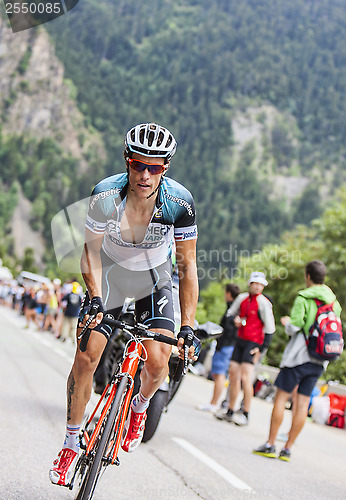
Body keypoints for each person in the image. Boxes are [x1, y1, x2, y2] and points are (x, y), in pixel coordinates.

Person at [50, 123, 199, 487]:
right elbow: (91, 253)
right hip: (111, 277)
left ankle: (139, 407)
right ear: (127, 161)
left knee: (159, 358)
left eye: (155, 168)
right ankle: (71, 442)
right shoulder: (105, 195)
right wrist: (95, 298)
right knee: (86, 356)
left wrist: (188, 325)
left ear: (165, 168)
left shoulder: (180, 204)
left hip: (155, 279)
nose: (145, 174)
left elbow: (187, 266)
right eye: (138, 165)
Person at [253, 260, 341, 461]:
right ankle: (287, 449)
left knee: (282, 398)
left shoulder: (303, 297)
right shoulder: (334, 302)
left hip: (297, 359)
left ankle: (270, 444)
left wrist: (287, 323)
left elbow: (295, 327)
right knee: (302, 405)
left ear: (308, 276)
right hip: (319, 360)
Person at [215, 271, 275, 426]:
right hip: (240, 340)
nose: (257, 287)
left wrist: (261, 348)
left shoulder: (263, 303)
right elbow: (230, 314)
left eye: (261, 285)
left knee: (246, 378)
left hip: (253, 343)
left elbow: (270, 329)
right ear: (250, 284)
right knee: (234, 374)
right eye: (255, 283)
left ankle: (245, 412)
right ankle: (230, 409)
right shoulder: (242, 299)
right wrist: (235, 320)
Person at [196, 283, 240, 413]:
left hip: (226, 346)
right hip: (227, 346)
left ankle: (214, 403)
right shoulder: (234, 309)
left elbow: (229, 331)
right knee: (219, 375)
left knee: (220, 375)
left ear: (228, 294)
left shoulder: (232, 311)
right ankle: (216, 403)